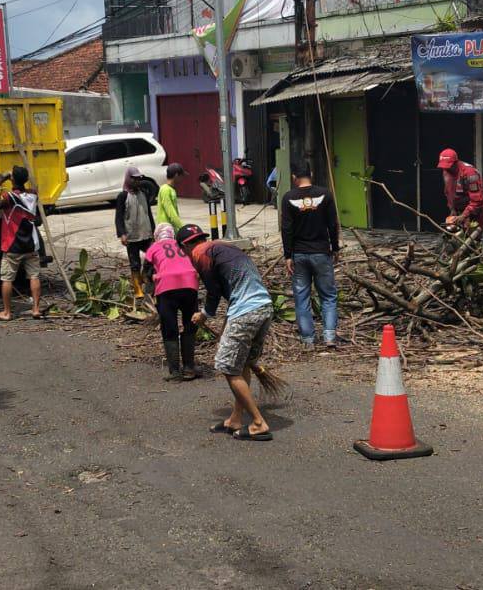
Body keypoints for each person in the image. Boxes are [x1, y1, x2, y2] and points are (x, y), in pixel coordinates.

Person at [177, 223, 275, 441]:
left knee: (228, 367)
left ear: (184, 247)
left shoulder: (199, 254)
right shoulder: (222, 247)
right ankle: (236, 418)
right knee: (243, 364)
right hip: (264, 307)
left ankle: (259, 423)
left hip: (246, 311)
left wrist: (204, 314)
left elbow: (214, 292)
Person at [281, 161, 340, 350]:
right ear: (311, 173)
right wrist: (335, 248)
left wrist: (287, 255)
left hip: (299, 254)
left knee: (301, 297)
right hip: (322, 252)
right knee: (328, 296)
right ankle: (329, 336)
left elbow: (287, 228)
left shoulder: (288, 197)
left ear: (294, 178)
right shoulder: (325, 194)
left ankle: (308, 340)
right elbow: (333, 224)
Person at [144, 223, 200, 380]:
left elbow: (146, 272)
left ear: (157, 236)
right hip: (190, 285)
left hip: (167, 288)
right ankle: (189, 368)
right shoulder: (181, 245)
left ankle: (175, 372)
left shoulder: (153, 248)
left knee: (170, 329)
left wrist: (151, 280)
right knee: (190, 325)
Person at [0, 165, 42, 321]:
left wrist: (3, 178)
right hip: (31, 243)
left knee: (7, 279)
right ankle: (36, 309)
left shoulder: (8, 197)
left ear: (12, 179)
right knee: (34, 276)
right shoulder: (33, 195)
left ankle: (7, 312)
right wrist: (14, 177)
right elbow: (28, 189)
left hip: (12, 244)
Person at [115, 166, 155, 301]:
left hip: (146, 234)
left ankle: (146, 275)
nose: (137, 181)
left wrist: (153, 231)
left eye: (139, 179)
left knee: (152, 256)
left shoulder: (143, 193)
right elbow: (119, 217)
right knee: (134, 263)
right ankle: (137, 288)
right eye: (135, 179)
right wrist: (122, 234)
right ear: (128, 179)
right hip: (132, 236)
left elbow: (148, 213)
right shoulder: (123, 196)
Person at [438, 148, 483, 231]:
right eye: (444, 167)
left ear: (455, 163)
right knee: (454, 235)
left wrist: (464, 215)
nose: (446, 169)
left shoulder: (470, 173)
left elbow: (477, 201)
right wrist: (452, 209)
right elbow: (448, 192)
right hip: (458, 209)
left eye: (448, 167)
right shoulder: (446, 172)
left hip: (475, 211)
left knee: (472, 236)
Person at [155, 163, 185, 232]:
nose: (182, 178)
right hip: (165, 229)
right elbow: (171, 212)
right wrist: (182, 227)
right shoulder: (165, 190)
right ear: (176, 175)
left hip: (171, 228)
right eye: (181, 176)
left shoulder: (171, 189)